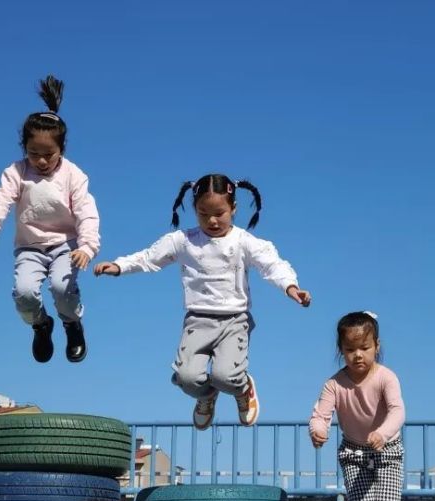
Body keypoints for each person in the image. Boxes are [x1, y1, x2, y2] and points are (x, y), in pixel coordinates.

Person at [94, 174, 310, 428]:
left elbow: (271, 265)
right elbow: (149, 257)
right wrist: (119, 266)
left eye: (220, 213)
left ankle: (242, 389)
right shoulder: (183, 241)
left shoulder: (243, 241)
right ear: (195, 210)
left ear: (233, 209)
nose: (212, 220)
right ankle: (206, 397)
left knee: (225, 377)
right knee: (186, 378)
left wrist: (290, 286)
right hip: (198, 319)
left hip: (234, 320)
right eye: (203, 213)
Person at [0, 75, 99, 363]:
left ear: (61, 150)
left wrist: (87, 247)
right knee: (25, 294)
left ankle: (72, 324)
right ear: (24, 149)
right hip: (30, 248)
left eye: (48, 155)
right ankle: (41, 325)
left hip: (65, 246)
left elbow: (86, 211)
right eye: (33, 154)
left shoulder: (73, 175)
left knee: (61, 287)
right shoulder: (16, 173)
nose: (41, 161)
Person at [309, 311, 405, 501]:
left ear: (377, 346)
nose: (358, 355)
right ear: (341, 350)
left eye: (365, 348)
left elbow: (398, 411)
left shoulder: (387, 378)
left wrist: (383, 433)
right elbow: (320, 414)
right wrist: (318, 430)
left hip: (388, 452)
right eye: (350, 349)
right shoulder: (334, 385)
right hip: (354, 454)